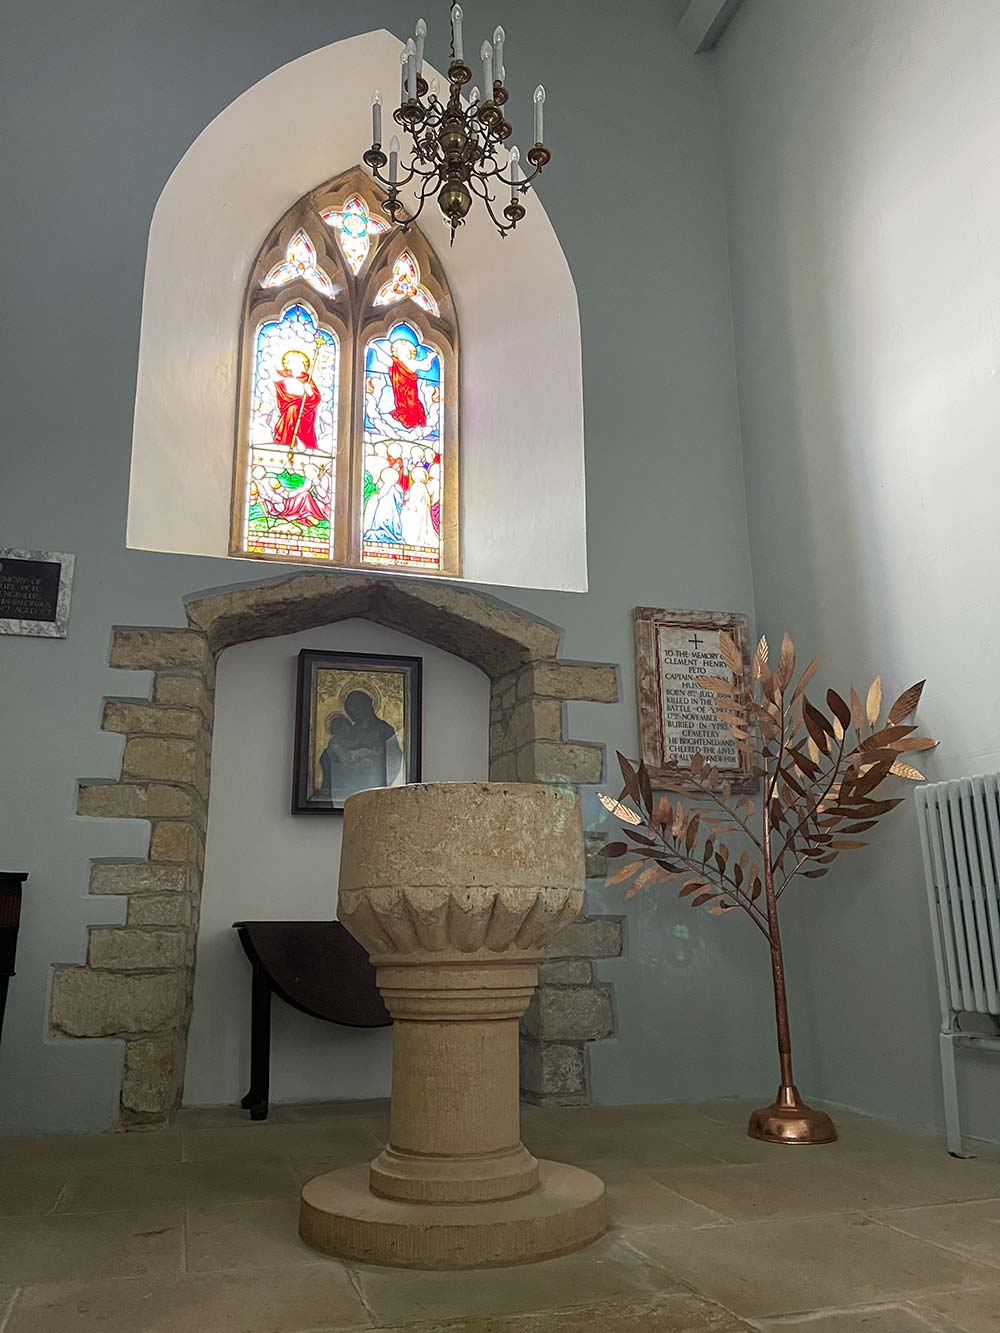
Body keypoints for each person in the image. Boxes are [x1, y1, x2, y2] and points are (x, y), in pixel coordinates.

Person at [318, 690, 403, 799]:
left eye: (356, 709)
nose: (354, 715)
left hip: (373, 784)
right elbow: (340, 753)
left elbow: (394, 760)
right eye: (351, 712)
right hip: (350, 784)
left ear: (366, 707)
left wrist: (373, 764)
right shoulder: (353, 731)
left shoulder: (384, 730)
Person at [273, 349, 321, 450]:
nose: (296, 365)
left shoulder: (307, 379)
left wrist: (309, 392)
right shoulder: (282, 378)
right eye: (292, 363)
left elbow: (316, 398)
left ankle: (299, 440)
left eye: (299, 363)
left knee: (293, 409)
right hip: (288, 408)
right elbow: (281, 396)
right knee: (292, 410)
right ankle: (288, 441)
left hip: (305, 410)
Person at [363, 466, 404, 545]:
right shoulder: (398, 488)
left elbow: (380, 496)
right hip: (393, 511)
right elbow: (400, 501)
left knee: (382, 522)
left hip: (383, 510)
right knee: (393, 522)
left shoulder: (386, 486)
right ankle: (393, 533)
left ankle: (384, 531)